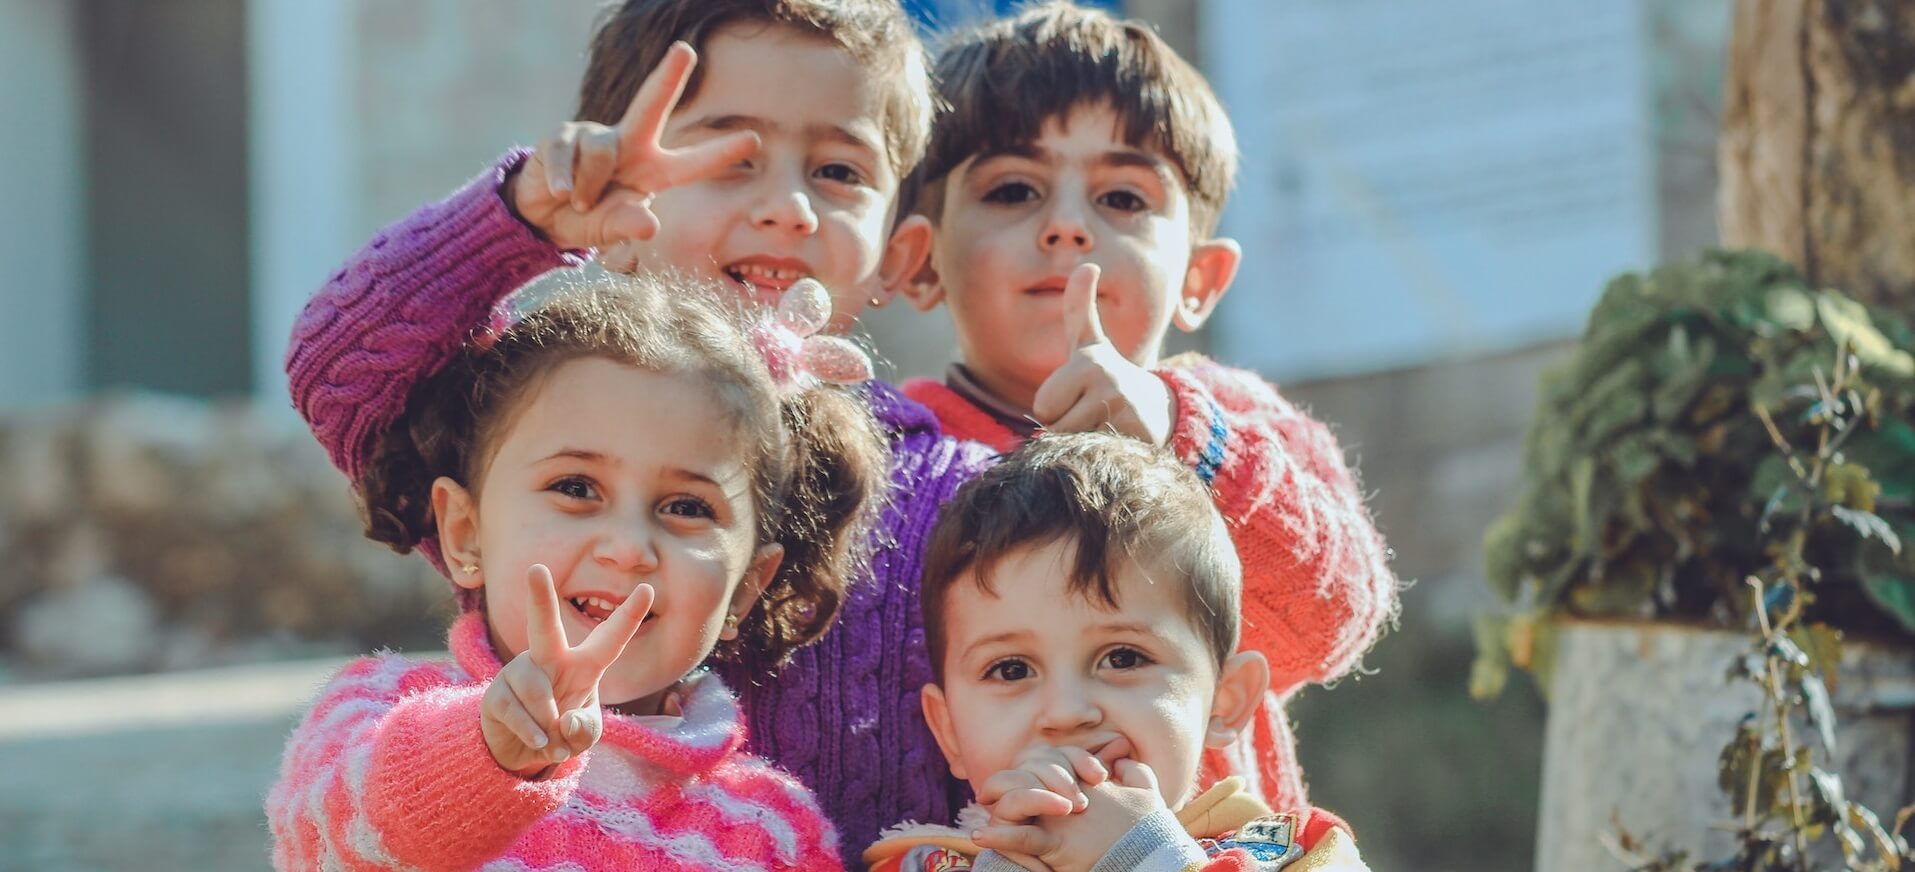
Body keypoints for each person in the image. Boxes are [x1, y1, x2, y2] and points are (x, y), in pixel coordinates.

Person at [282, 1, 999, 857]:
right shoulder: (542, 415)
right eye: (729, 157)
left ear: (900, 253)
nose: (788, 207)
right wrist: (526, 220)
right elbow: (346, 364)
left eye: (839, 172)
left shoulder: (964, 493)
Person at [898, 2, 1397, 809]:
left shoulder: (1235, 420)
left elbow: (1328, 621)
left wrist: (1178, 434)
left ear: (1200, 278)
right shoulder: (891, 459)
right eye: (1013, 189)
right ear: (916, 260)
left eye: (1122, 199)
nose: (1065, 227)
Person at [268, 276, 889, 870]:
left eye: (686, 508)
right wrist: (492, 751)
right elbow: (328, 841)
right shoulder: (371, 715)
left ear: (745, 589)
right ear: (464, 532)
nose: (627, 547)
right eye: (575, 487)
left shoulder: (771, 830)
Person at [865, 433, 1369, 871]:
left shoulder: (1296, 852)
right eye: (1011, 669)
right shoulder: (913, 864)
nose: (1066, 713)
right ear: (949, 730)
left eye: (1123, 658)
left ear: (1226, 699)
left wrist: (1145, 858)